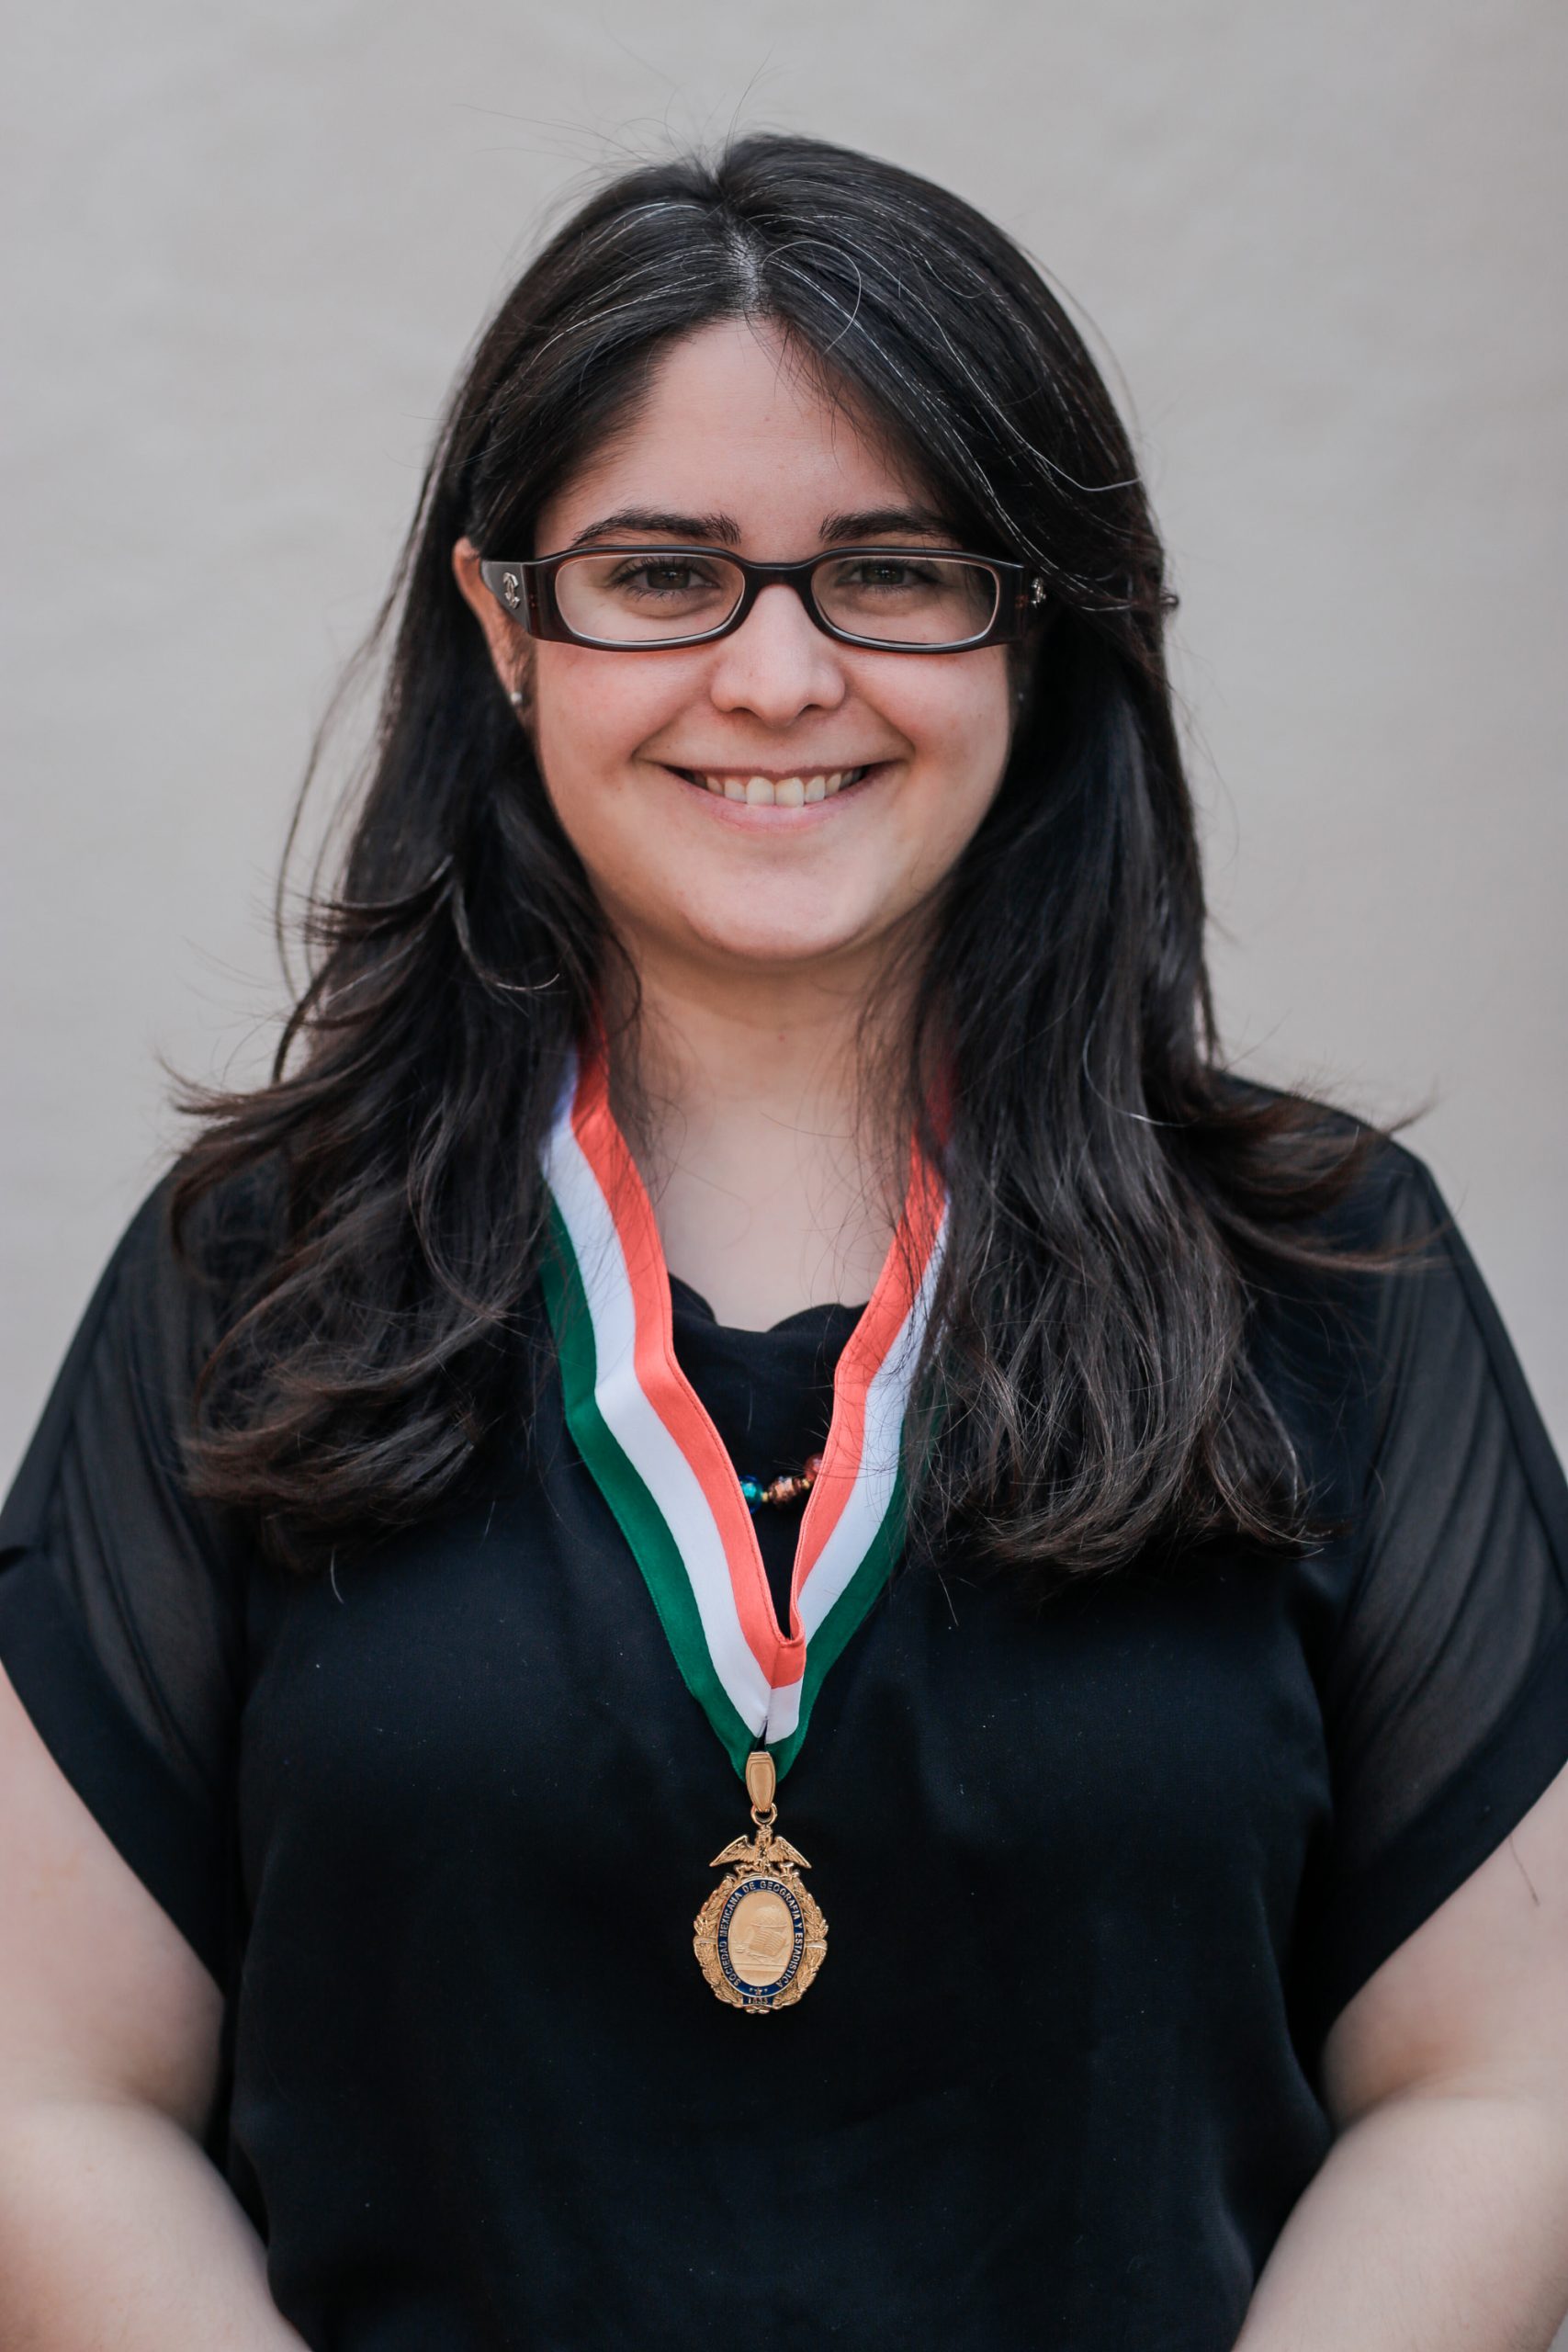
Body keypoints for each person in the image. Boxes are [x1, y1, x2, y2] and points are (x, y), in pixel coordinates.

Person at [1, 129, 1565, 2352]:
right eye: (659, 572)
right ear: (503, 626)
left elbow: (1500, 2082)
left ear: (1040, 623)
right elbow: (50, 2092)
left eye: (889, 570)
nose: (773, 673)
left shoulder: (1323, 1280)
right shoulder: (253, 1278)